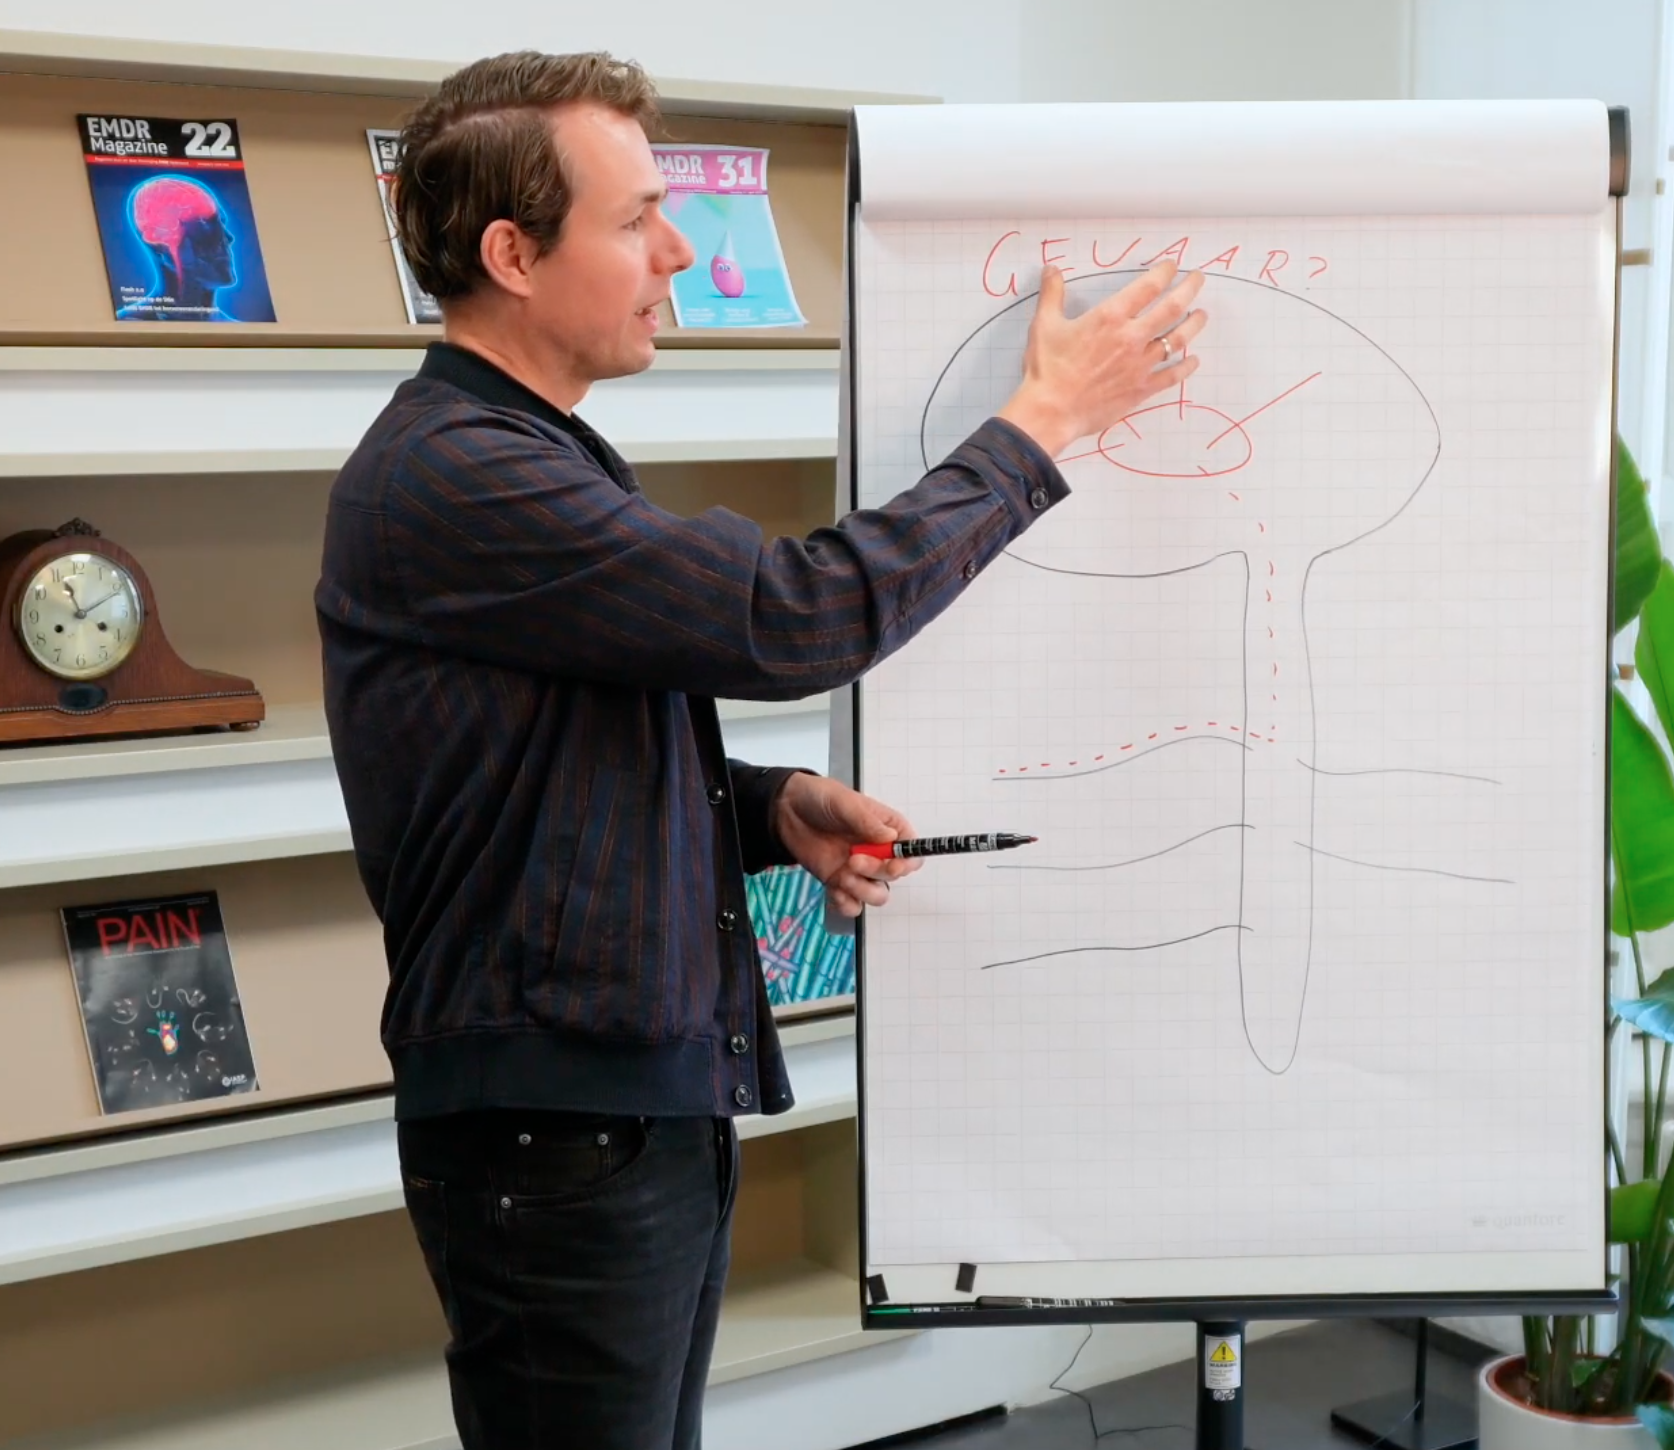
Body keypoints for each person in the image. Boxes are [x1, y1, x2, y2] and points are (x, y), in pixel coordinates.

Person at [316, 49, 1206, 1450]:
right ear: (513, 256)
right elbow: (795, 617)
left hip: (609, 1119)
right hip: (559, 1134)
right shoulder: (462, 473)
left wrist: (769, 805)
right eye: (635, 219)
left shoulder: (521, 453)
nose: (678, 250)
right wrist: (1043, 424)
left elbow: (537, 766)